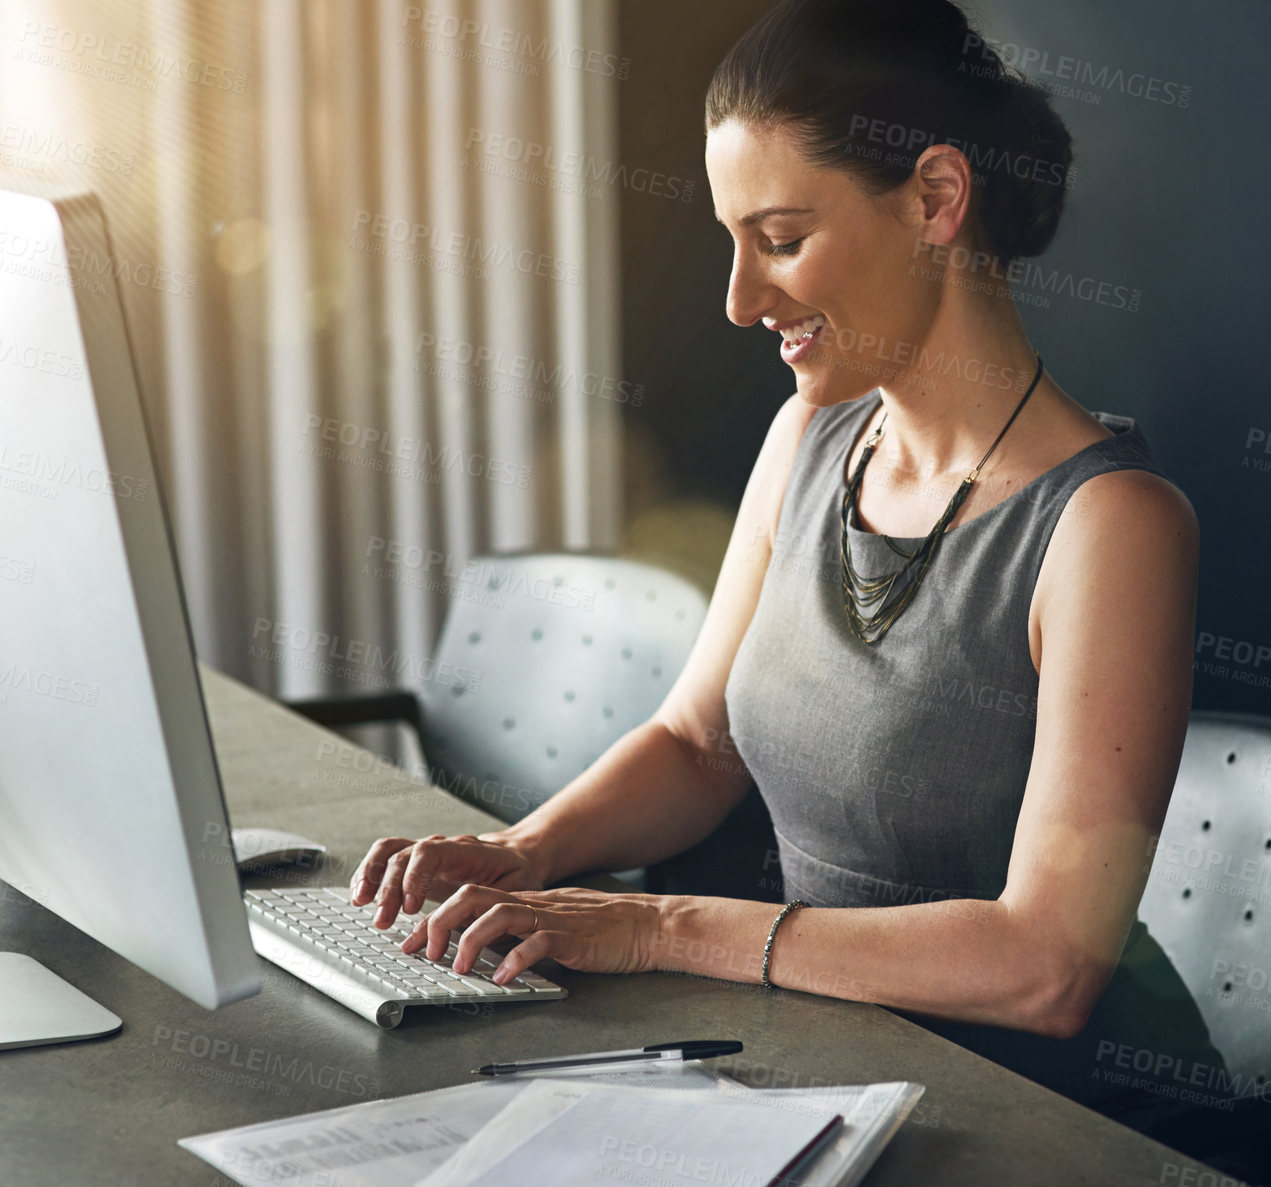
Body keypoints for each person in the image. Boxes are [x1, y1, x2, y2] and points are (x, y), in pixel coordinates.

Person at [349, 0, 1226, 1122]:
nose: (738, 299)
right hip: (834, 1061)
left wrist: (653, 925)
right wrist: (521, 855)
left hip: (1049, 1115)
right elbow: (696, 743)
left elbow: (1045, 965)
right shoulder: (810, 435)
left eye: (780, 239)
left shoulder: (1114, 524)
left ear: (937, 200)